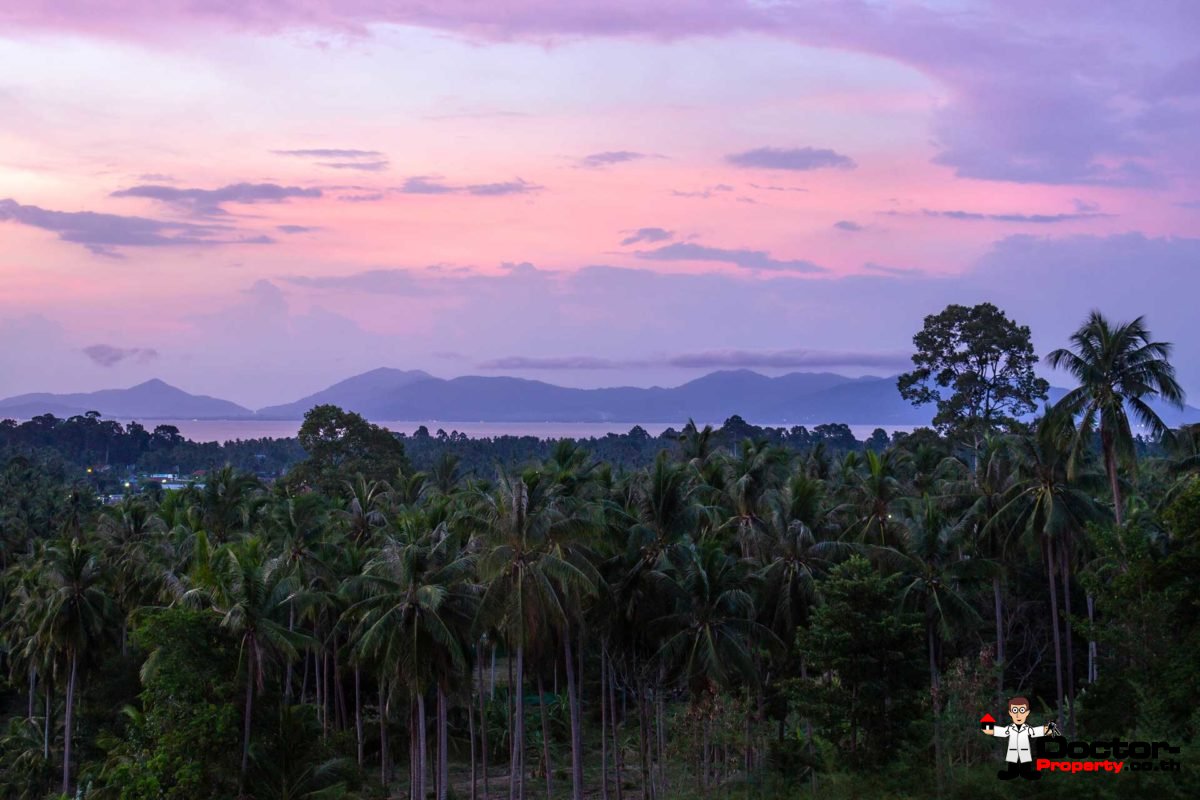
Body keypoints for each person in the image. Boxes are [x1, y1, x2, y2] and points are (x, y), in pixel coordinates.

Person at [981, 696, 1058, 780]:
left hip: (1024, 751)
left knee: (1025, 766)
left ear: (1027, 713)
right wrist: (987, 727)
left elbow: (1037, 731)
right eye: (1015, 711)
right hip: (1013, 751)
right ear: (1010, 713)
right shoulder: (1010, 728)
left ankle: (1027, 774)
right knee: (1013, 766)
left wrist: (1049, 728)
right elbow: (1000, 731)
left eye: (1021, 711)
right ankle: (1012, 774)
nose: (1018, 715)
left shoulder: (1027, 728)